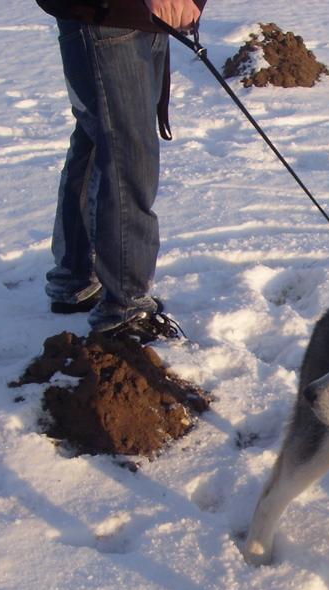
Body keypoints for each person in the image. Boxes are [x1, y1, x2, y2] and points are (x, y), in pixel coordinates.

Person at [36, 0, 205, 342]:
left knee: (100, 138)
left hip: (142, 19)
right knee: (128, 153)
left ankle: (75, 276)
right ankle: (125, 308)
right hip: (109, 17)